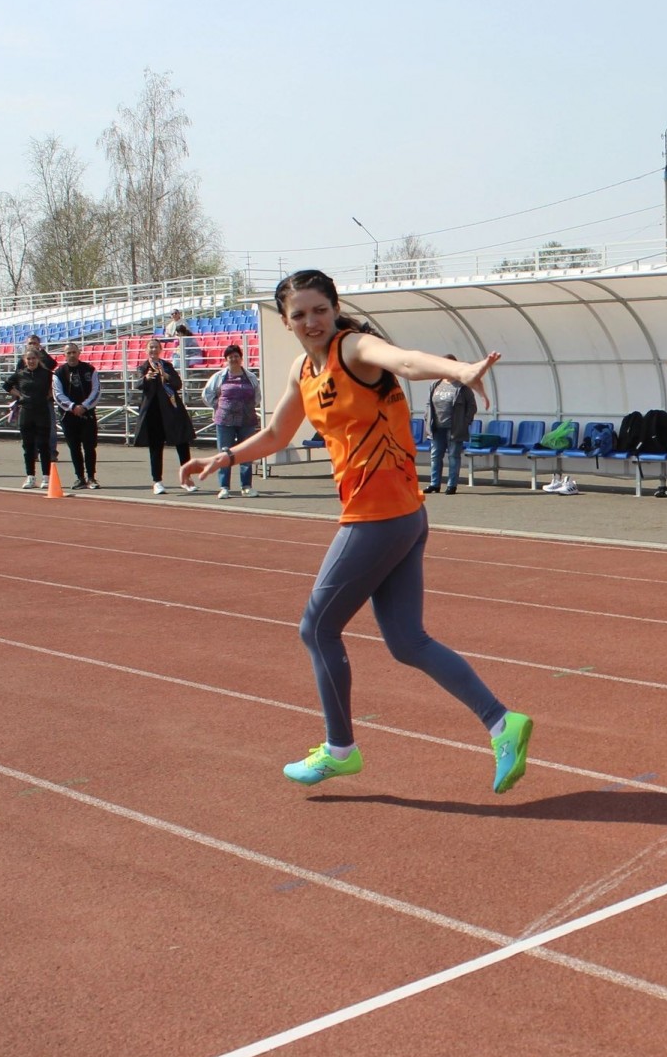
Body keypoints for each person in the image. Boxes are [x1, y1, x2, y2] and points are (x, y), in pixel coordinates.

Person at [179, 268, 535, 793]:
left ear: (334, 307)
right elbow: (278, 432)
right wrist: (223, 457)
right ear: (285, 321)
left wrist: (458, 372)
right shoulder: (304, 369)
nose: (311, 321)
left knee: (316, 629)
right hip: (402, 515)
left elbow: (407, 360)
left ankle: (340, 749)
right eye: (298, 314)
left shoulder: (354, 349)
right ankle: (504, 724)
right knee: (408, 642)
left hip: (379, 518)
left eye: (319, 309)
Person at [133, 337, 196, 494]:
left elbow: (178, 384)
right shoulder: (143, 368)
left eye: (156, 347)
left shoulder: (167, 366)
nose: (153, 350)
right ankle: (157, 481)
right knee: (155, 447)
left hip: (173, 411)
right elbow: (137, 384)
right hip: (154, 413)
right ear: (147, 350)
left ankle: (186, 478)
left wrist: (166, 376)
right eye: (151, 347)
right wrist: (146, 378)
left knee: (182, 444)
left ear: (161, 350)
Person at [201, 343, 261, 498]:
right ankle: (224, 487)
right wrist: (219, 406)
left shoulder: (251, 377)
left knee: (246, 453)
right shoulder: (218, 377)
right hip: (225, 421)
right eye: (230, 357)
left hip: (247, 421)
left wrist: (245, 407)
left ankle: (246, 486)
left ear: (241, 358)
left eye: (236, 356)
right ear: (226, 360)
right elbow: (207, 395)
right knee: (224, 453)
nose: (234, 359)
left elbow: (257, 396)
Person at [4, 344, 56, 489]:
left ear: (38, 359)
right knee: (28, 447)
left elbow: (56, 386)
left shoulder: (46, 374)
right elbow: (6, 385)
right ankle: (30, 477)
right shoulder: (21, 374)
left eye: (33, 358)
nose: (31, 361)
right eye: (29, 359)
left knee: (43, 446)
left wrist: (50, 395)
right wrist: (19, 395)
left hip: (42, 412)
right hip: (26, 412)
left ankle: (46, 477)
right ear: (25, 360)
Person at [424, 355, 477, 495]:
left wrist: (465, 422)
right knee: (435, 456)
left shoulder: (462, 387)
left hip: (454, 427)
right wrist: (426, 419)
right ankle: (434, 484)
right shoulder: (435, 385)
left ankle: (451, 485)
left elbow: (472, 407)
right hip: (436, 427)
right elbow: (429, 404)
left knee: (453, 456)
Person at [54, 341, 103, 490]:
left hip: (87, 415)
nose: (72, 355)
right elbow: (58, 395)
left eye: (74, 352)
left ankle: (91, 477)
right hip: (68, 416)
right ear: (64, 355)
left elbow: (97, 391)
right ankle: (79, 477)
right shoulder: (59, 373)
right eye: (69, 353)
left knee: (89, 447)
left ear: (79, 353)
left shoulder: (90, 369)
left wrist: (85, 406)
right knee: (74, 448)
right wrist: (72, 407)